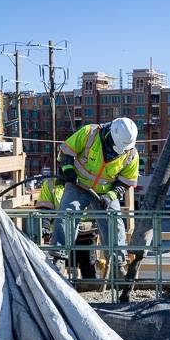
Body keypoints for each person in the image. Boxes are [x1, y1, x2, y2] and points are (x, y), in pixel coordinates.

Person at [49, 118, 139, 276]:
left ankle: (118, 266)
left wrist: (111, 196)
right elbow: (66, 151)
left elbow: (126, 182)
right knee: (68, 213)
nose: (118, 152)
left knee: (114, 221)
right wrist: (68, 169)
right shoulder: (89, 133)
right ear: (110, 136)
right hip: (78, 184)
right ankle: (59, 258)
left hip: (105, 192)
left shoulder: (130, 154)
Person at [36, 178, 98, 279]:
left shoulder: (90, 182)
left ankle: (89, 286)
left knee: (88, 269)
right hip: (62, 234)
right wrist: (45, 225)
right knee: (60, 267)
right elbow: (45, 208)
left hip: (86, 234)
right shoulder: (51, 184)